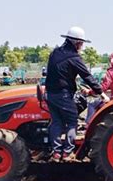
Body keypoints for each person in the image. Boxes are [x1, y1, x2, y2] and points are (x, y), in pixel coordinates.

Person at [45, 26, 109, 162]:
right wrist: (100, 92)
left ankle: (56, 152)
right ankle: (67, 153)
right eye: (81, 43)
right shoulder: (74, 58)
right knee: (72, 121)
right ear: (77, 43)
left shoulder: (55, 53)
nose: (82, 45)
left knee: (56, 121)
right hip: (63, 95)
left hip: (50, 93)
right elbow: (87, 76)